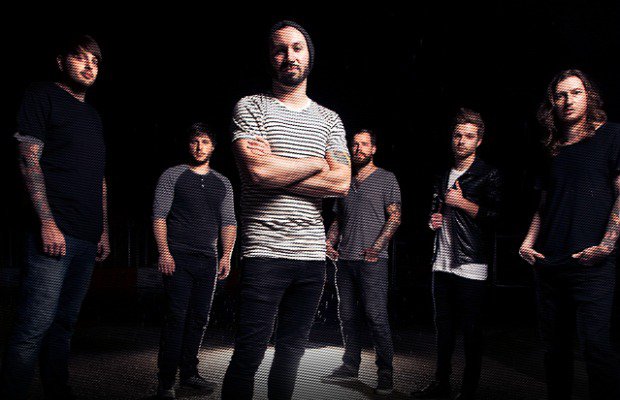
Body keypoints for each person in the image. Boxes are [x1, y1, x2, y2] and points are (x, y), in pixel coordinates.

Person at [221, 20, 351, 400]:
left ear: (309, 55)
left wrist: (277, 168)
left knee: (292, 356)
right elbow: (258, 174)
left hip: (310, 256)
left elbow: (341, 182)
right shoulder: (252, 107)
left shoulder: (329, 119)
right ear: (270, 58)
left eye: (297, 47)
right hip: (264, 251)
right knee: (248, 354)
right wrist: (316, 162)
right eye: (280, 49)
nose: (289, 56)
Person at [0, 35, 110, 400]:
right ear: (61, 61)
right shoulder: (42, 95)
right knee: (34, 326)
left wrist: (104, 231)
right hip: (53, 231)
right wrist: (46, 222)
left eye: (95, 60)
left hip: (86, 235)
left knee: (64, 324)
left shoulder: (93, 116)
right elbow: (27, 158)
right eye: (80, 57)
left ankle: (57, 390)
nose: (89, 65)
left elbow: (99, 178)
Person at [519, 69, 620, 400]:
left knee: (596, 350)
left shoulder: (612, 136)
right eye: (561, 95)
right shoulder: (550, 148)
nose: (568, 100)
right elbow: (543, 205)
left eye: (576, 92)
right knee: (555, 353)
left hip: (592, 264)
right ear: (553, 102)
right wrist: (527, 243)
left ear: (588, 96)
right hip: (550, 263)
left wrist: (607, 245)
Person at [412, 108, 501, 400]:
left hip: (471, 264)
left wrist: (463, 203)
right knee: (443, 330)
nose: (462, 141)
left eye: (469, 136)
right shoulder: (442, 175)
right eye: (457, 135)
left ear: (479, 141)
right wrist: (432, 221)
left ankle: (468, 390)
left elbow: (496, 218)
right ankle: (441, 384)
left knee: (472, 332)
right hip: (442, 262)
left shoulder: (488, 174)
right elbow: (434, 213)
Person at [152, 123, 237, 399]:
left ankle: (189, 373)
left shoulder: (222, 182)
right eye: (195, 141)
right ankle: (166, 381)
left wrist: (226, 255)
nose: (199, 147)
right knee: (176, 318)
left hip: (208, 259)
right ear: (188, 145)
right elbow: (159, 216)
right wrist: (164, 252)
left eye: (205, 142)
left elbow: (229, 222)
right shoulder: (173, 175)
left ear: (213, 147)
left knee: (199, 318)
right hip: (178, 257)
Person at [324, 129, 401, 395]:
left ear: (374, 149)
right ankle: (350, 364)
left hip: (372, 261)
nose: (358, 149)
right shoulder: (345, 179)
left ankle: (385, 373)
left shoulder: (386, 178)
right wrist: (329, 241)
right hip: (345, 260)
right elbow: (339, 218)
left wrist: (376, 248)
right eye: (355, 144)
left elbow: (395, 217)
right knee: (347, 315)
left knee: (376, 316)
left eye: (364, 144)